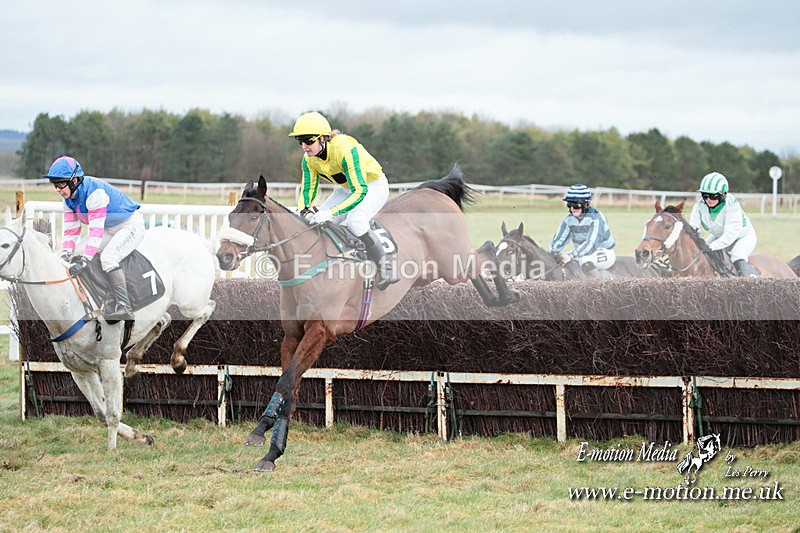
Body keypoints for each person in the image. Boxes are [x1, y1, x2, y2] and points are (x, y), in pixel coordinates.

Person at [288, 111, 399, 290]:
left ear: (323, 138)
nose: (304, 146)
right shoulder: (308, 160)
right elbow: (308, 189)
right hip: (347, 189)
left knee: (355, 221)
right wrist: (305, 210)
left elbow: (360, 190)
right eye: (300, 141)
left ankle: (386, 267)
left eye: (308, 140)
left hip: (372, 186)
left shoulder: (345, 149)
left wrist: (331, 212)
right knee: (316, 224)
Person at [45, 155, 145, 320]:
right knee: (77, 252)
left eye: (61, 184)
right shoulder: (68, 200)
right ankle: (102, 296)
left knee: (108, 258)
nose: (58, 189)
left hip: (130, 225)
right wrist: (65, 253)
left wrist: (85, 260)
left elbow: (95, 233)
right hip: (110, 228)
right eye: (55, 185)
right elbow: (71, 231)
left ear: (75, 180)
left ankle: (124, 306)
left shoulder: (95, 193)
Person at [689, 171, 758, 277]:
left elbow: (730, 235)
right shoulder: (699, 205)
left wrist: (711, 246)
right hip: (719, 235)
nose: (708, 199)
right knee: (699, 253)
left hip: (743, 237)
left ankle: (749, 282)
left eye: (713, 196)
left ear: (723, 194)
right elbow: (694, 229)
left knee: (737, 255)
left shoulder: (732, 205)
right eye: (705, 195)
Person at [549, 184, 616, 278]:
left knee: (584, 260)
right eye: (570, 205)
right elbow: (559, 240)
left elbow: (591, 243)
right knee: (558, 259)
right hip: (582, 251)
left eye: (576, 205)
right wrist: (552, 253)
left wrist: (571, 256)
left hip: (604, 251)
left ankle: (600, 287)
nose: (572, 208)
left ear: (586, 204)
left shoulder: (596, 217)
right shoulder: (569, 220)